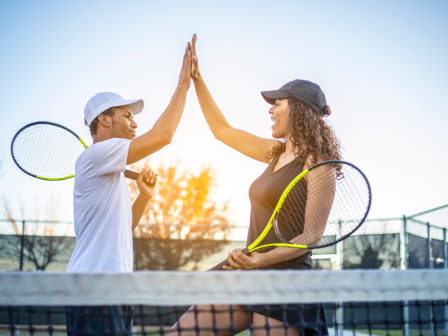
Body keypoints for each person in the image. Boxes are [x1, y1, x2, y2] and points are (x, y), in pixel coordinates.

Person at [170, 35, 341, 336]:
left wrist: (261, 259)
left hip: (285, 284)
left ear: (298, 109)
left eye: (278, 103)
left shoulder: (318, 164)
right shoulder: (274, 152)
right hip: (250, 272)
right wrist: (197, 79)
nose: (270, 110)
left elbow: (310, 237)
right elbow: (222, 130)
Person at [65, 43, 192, 336]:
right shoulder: (97, 154)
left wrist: (145, 196)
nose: (135, 122)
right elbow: (164, 135)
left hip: (115, 289)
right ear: (105, 120)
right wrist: (183, 85)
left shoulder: (111, 172)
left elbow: (123, 228)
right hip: (95, 288)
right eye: (127, 115)